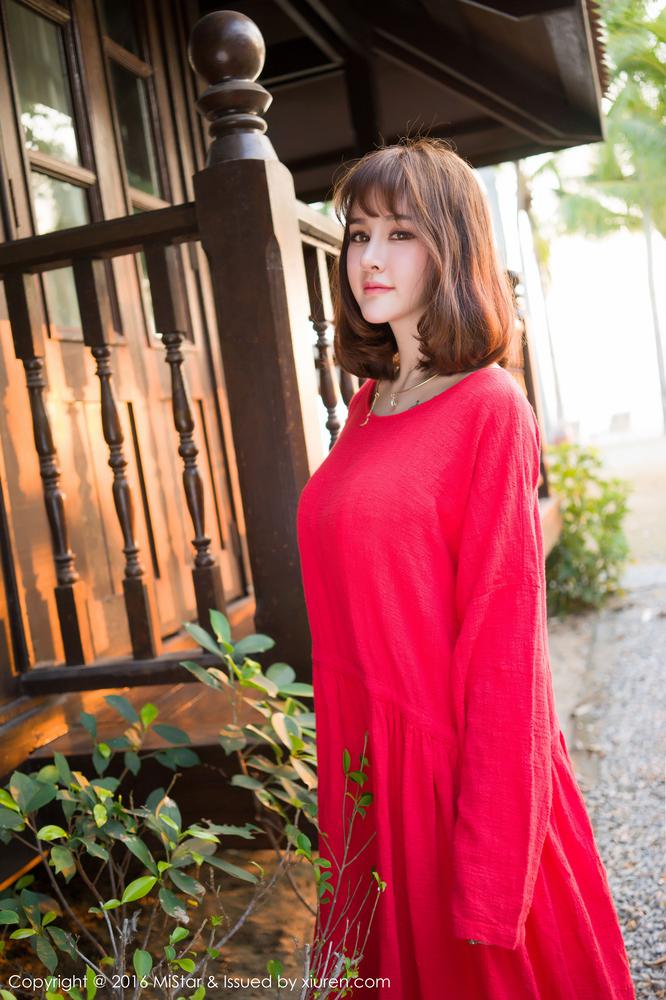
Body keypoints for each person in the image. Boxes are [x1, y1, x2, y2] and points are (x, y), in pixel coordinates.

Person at [295, 137, 635, 998]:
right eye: (358, 234)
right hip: (370, 769)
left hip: (451, 777)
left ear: (450, 247)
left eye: (399, 233)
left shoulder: (489, 407)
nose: (369, 259)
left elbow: (503, 641)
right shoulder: (370, 405)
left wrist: (486, 857)